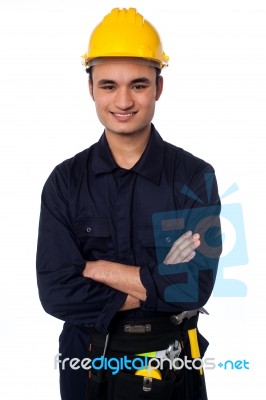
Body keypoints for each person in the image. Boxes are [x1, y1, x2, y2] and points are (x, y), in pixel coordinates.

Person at [36, 7, 222, 400]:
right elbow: (55, 291)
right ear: (90, 88)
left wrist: (96, 268)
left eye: (138, 85)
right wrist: (153, 283)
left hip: (174, 362)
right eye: (108, 85)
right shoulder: (64, 183)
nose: (123, 101)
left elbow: (195, 288)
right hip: (88, 361)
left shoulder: (193, 179)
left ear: (159, 86)